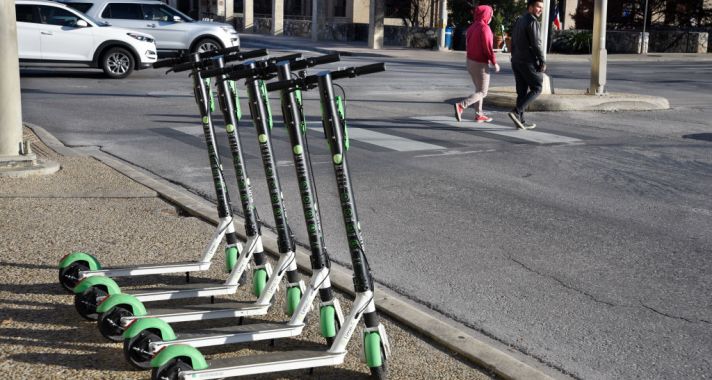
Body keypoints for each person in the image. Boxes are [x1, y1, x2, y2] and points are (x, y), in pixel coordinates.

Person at [453, 5, 500, 123]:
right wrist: (494, 62)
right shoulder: (485, 28)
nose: (491, 17)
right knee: (483, 92)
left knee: (478, 90)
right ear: (486, 15)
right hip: (480, 64)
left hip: (470, 62)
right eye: (491, 14)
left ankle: (479, 115)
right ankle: (461, 105)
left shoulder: (471, 27)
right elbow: (488, 48)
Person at [508, 0, 546, 130]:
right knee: (537, 87)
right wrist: (542, 60)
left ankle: (521, 121)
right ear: (530, 8)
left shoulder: (519, 20)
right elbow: (536, 44)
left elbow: (512, 40)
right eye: (538, 7)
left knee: (522, 92)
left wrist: (513, 56)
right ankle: (516, 112)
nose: (540, 10)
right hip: (527, 61)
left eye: (542, 7)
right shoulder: (532, 21)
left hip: (516, 60)